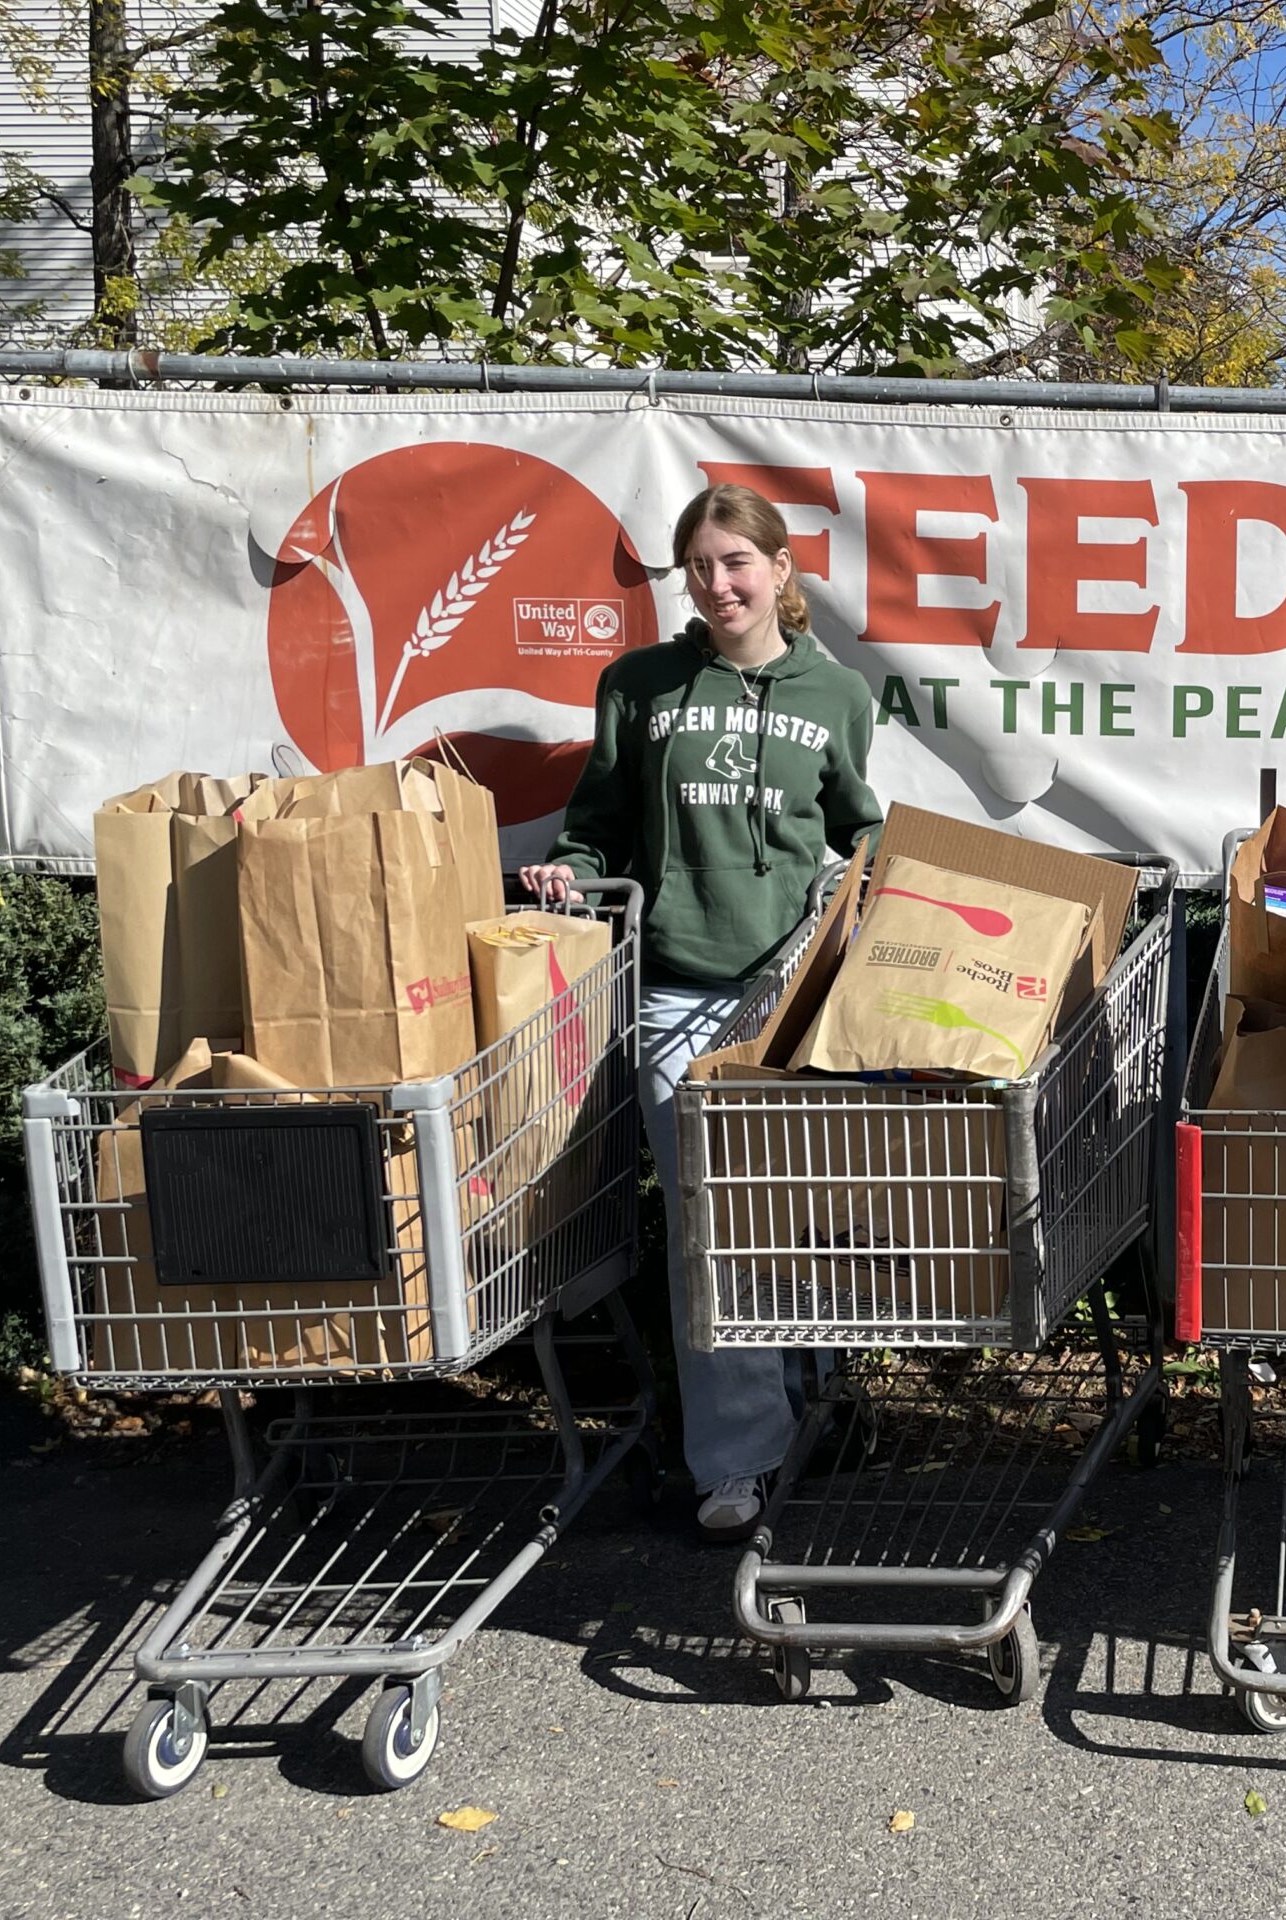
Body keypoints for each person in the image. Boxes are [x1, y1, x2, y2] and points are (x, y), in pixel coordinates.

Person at [520, 481, 881, 1542]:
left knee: (796, 1219)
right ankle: (737, 1462)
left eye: (737, 562)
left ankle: (820, 1397)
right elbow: (594, 823)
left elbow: (859, 833)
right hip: (675, 989)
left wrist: (861, 908)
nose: (719, 583)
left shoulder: (838, 696)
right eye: (701, 565)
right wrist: (567, 875)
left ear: (780, 572)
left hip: (787, 1001)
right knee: (710, 1229)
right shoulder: (639, 684)